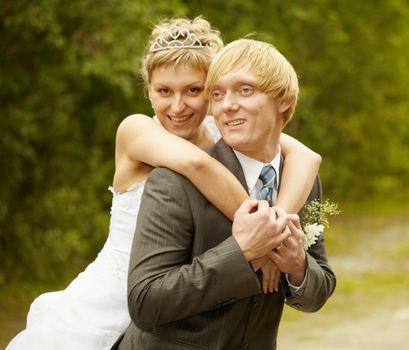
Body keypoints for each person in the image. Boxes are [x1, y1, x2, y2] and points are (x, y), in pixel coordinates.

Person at [7, 18, 321, 350]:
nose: (177, 106)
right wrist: (264, 235)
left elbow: (306, 157)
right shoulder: (137, 130)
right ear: (148, 92)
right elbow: (197, 163)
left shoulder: (223, 128)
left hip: (180, 307)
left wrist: (276, 227)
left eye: (194, 90)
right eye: (163, 91)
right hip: (111, 300)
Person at [114, 38, 336, 350]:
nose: (227, 105)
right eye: (217, 94)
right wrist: (245, 252)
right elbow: (146, 303)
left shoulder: (300, 181)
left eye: (245, 90)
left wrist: (297, 265)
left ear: (283, 99)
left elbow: (320, 289)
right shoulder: (174, 181)